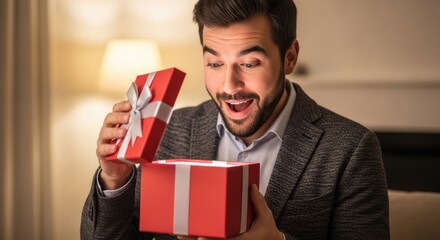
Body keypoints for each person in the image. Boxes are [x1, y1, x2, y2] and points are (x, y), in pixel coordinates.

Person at [81, 0, 390, 239]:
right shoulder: (171, 131)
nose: (229, 86)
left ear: (290, 57)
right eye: (214, 63)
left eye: (249, 63)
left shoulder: (351, 149)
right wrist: (115, 179)